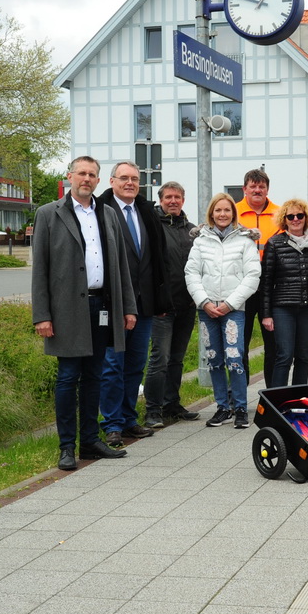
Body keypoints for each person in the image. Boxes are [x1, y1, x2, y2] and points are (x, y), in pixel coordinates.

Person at [31, 156, 135, 469]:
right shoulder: (49, 214)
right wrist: (42, 314)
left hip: (101, 306)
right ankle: (66, 447)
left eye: (92, 174)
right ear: (69, 177)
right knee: (67, 378)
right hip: (66, 310)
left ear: (98, 181)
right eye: (81, 173)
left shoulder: (107, 214)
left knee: (94, 377)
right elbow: (41, 269)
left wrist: (127, 307)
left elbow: (120, 266)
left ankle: (90, 441)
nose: (86, 179)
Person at [96, 161, 170, 446]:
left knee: (135, 364)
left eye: (135, 179)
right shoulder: (101, 211)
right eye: (124, 178)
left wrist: (160, 299)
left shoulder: (145, 211)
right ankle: (111, 423)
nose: (130, 183)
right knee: (112, 365)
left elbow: (157, 259)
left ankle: (128, 419)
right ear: (112, 181)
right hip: (113, 303)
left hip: (144, 304)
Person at [185, 193, 261, 429]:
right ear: (211, 213)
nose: (222, 214)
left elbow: (252, 275)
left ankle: (239, 407)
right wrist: (204, 301)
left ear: (233, 213)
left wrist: (229, 303)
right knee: (214, 359)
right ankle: (222, 407)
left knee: (235, 359)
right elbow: (192, 273)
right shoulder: (200, 241)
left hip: (233, 310)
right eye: (218, 210)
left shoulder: (245, 241)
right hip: (207, 309)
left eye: (227, 210)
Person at [143, 181, 201, 425]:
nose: (173, 201)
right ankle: (153, 410)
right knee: (160, 359)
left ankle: (171, 405)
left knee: (177, 358)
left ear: (183, 200)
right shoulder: (152, 227)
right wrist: (157, 301)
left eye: (177, 197)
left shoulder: (191, 230)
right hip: (162, 308)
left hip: (186, 306)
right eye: (168, 197)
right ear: (161, 200)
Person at [260, 198, 308, 386]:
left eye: (300, 215)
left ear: (306, 217)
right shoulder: (274, 244)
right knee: (284, 356)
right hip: (283, 309)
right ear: (285, 219)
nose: (295, 219)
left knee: (303, 356)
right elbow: (266, 282)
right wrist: (266, 314)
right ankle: (277, 403)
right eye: (290, 216)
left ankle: (298, 399)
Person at [235, 169, 280, 388]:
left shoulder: (280, 214)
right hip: (241, 285)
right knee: (240, 343)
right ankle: (240, 396)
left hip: (270, 286)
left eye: (261, 186)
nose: (257, 190)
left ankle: (272, 393)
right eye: (252, 186)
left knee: (273, 344)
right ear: (244, 189)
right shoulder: (232, 213)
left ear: (267, 189)